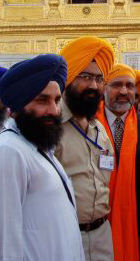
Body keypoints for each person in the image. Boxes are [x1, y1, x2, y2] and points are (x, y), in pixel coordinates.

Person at [0, 54, 85, 261]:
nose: (54, 110)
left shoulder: (38, 147)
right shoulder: (8, 151)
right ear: (19, 103)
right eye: (42, 100)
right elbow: (1, 245)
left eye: (56, 100)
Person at [96, 64, 140, 261]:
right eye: (117, 85)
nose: (123, 91)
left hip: (139, 226)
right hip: (97, 225)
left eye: (129, 86)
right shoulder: (88, 125)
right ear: (104, 88)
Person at [56, 36, 115, 261]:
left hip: (101, 234)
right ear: (69, 78)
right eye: (85, 76)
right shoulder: (50, 126)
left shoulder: (98, 128)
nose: (93, 85)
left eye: (99, 79)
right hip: (65, 236)